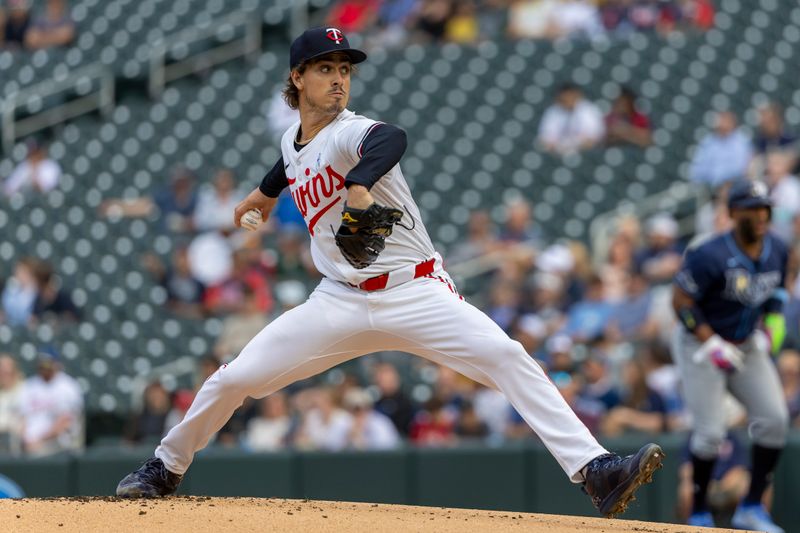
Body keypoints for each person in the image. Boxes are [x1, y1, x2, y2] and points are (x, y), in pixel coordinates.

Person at [115, 27, 663, 519]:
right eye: (326, 68)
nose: (338, 80)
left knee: (507, 356)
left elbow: (389, 139)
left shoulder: (354, 132)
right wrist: (260, 196)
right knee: (234, 378)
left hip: (415, 290)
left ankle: (595, 470)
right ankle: (165, 467)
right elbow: (292, 160)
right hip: (338, 300)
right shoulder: (294, 138)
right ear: (297, 77)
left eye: (345, 70)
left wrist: (359, 186)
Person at [671, 179, 790, 531]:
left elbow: (777, 294)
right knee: (710, 433)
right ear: (733, 213)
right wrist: (709, 341)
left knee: (774, 420)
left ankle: (752, 507)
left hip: (746, 343)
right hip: (701, 344)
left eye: (764, 208)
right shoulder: (709, 254)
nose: (760, 215)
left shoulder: (779, 249)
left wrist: (773, 327)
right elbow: (680, 302)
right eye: (752, 208)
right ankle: (698, 513)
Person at [17, 350, 83, 456]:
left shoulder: (67, 386)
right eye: (42, 363)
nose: (45, 367)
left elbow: (65, 422)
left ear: (57, 364)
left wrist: (40, 440)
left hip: (57, 443)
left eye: (48, 363)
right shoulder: (29, 385)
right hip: (29, 443)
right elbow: (22, 418)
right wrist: (26, 439)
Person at [688, 111, 752, 188]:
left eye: (725, 121)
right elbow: (697, 170)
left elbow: (741, 168)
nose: (722, 124)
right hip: (709, 187)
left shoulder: (741, 142)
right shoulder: (708, 142)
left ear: (732, 123)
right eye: (721, 120)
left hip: (733, 186)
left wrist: (723, 181)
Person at [537, 83, 605, 154]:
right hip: (559, 154)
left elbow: (595, 137)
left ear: (577, 95)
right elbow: (545, 139)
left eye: (570, 96)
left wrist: (573, 145)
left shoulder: (589, 110)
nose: (568, 99)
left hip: (585, 154)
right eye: (564, 98)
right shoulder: (552, 111)